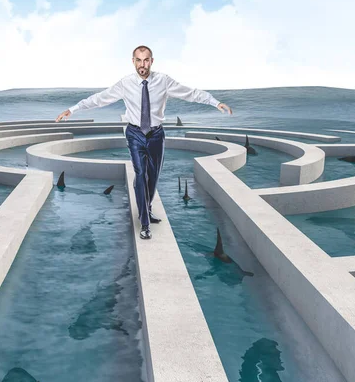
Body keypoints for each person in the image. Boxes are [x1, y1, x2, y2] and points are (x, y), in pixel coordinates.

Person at [56, 45, 232, 240]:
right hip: (134, 134)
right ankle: (144, 223)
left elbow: (190, 93)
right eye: (138, 60)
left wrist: (215, 102)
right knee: (140, 174)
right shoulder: (125, 83)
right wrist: (72, 109)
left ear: (152, 61)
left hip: (156, 135)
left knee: (153, 176)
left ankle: (146, 207)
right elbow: (100, 99)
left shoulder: (163, 81)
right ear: (133, 61)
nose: (142, 64)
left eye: (146, 60)